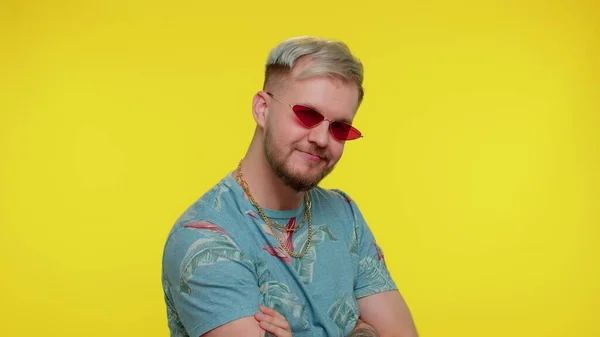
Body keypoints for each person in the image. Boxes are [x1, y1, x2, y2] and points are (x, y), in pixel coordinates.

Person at [161, 36, 418, 337]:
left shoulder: (344, 213)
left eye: (340, 128)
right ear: (262, 109)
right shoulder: (206, 237)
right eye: (307, 115)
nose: (322, 139)